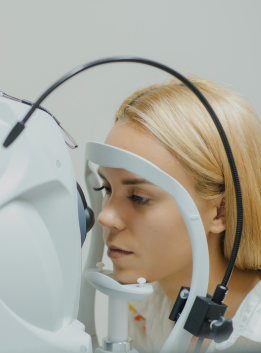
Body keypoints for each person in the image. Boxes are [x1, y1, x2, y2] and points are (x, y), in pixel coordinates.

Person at [94, 77, 261, 352]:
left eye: (139, 198)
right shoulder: (145, 311)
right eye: (106, 188)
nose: (106, 217)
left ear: (221, 212)